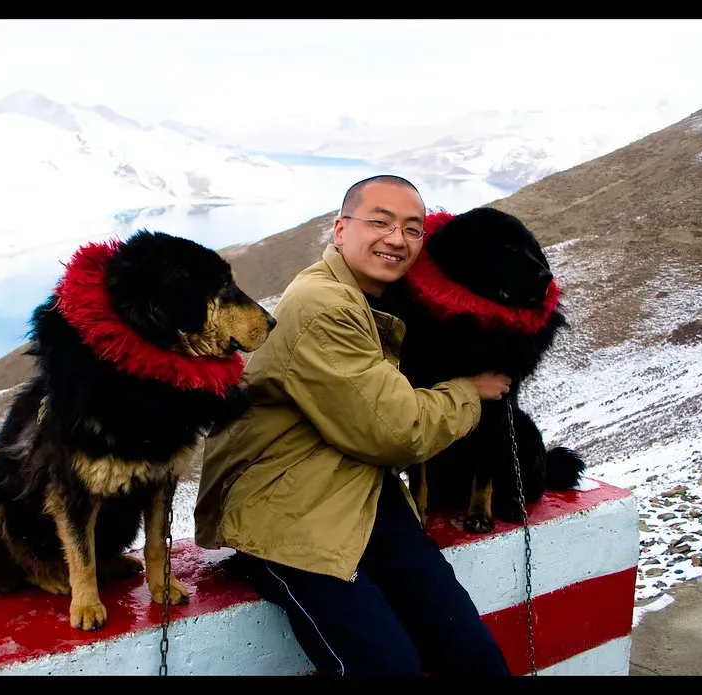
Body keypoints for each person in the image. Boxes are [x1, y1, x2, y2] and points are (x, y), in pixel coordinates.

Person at [194, 174, 513, 676]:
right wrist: (469, 392)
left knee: (471, 653)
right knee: (385, 669)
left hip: (360, 493)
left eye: (412, 229)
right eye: (380, 222)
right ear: (341, 231)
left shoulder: (373, 297)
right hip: (285, 513)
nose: (396, 239)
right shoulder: (324, 305)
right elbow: (395, 431)